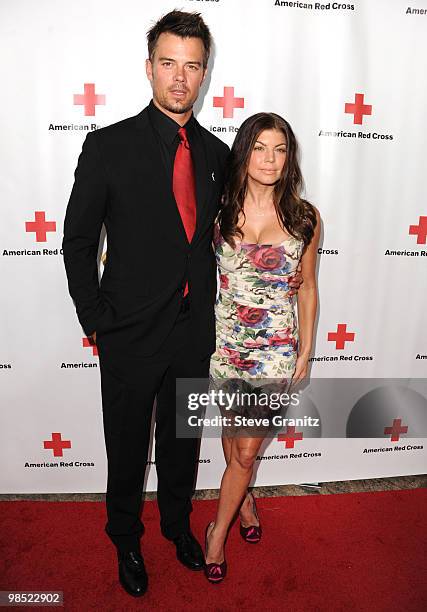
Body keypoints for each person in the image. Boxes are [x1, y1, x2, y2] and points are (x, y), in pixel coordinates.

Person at [62, 10, 230, 598]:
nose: (180, 78)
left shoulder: (217, 153)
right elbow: (79, 242)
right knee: (128, 444)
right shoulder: (108, 147)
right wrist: (96, 321)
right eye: (168, 64)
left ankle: (178, 526)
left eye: (192, 66)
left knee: (183, 441)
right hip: (129, 334)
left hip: (193, 332)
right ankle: (126, 538)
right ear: (149, 68)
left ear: (204, 73)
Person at [204, 112, 320, 582]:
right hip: (226, 344)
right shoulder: (219, 209)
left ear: (289, 157)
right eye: (260, 148)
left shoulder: (304, 217)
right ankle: (247, 502)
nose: (270, 159)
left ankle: (216, 533)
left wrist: (306, 350)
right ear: (244, 152)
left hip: (274, 348)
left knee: (246, 452)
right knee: (234, 444)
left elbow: (308, 287)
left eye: (280, 149)